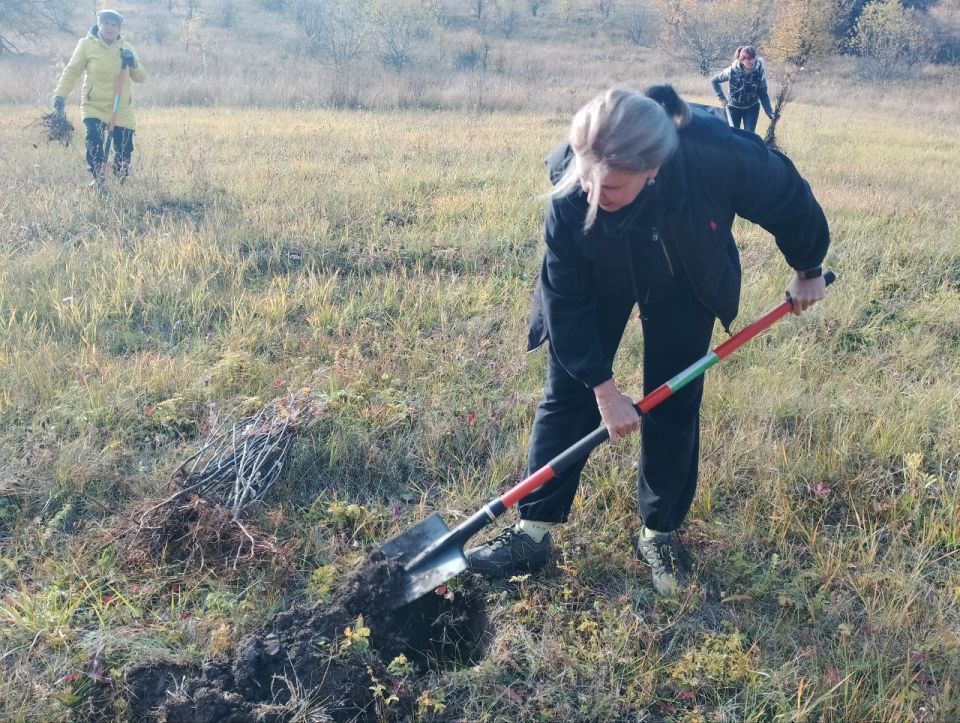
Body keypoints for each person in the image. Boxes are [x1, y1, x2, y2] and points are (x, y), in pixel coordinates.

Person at [466, 86, 829, 596]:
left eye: (610, 187)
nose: (593, 192)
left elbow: (787, 196)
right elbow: (564, 298)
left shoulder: (715, 154)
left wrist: (808, 267)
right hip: (599, 270)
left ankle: (659, 533)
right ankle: (533, 531)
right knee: (568, 393)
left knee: (674, 398)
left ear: (652, 170)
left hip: (685, 269)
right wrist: (603, 388)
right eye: (586, 179)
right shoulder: (574, 184)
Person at [52, 10, 147, 188]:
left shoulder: (126, 47)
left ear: (119, 28)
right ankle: (97, 178)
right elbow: (72, 71)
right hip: (93, 106)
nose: (109, 28)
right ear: (99, 25)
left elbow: (141, 77)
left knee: (124, 150)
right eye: (106, 23)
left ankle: (121, 181)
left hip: (121, 109)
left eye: (114, 25)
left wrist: (132, 61)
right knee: (94, 141)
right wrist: (60, 96)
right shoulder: (86, 45)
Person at [711, 45, 775, 133]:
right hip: (733, 108)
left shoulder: (760, 72)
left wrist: (770, 112)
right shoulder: (731, 71)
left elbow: (763, 94)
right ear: (742, 61)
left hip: (751, 108)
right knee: (734, 135)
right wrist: (721, 98)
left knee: (749, 134)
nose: (752, 62)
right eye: (749, 60)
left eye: (753, 59)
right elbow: (714, 81)